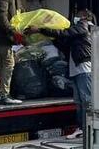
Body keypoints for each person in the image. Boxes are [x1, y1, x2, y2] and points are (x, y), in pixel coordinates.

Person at [28, 9, 94, 139]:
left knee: (86, 100)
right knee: (79, 101)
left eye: (78, 15)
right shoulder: (78, 33)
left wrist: (41, 29)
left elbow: (65, 33)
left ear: (85, 17)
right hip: (77, 69)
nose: (75, 17)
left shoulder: (84, 26)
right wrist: (52, 37)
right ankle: (82, 128)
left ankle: (88, 128)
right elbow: (64, 42)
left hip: (84, 69)